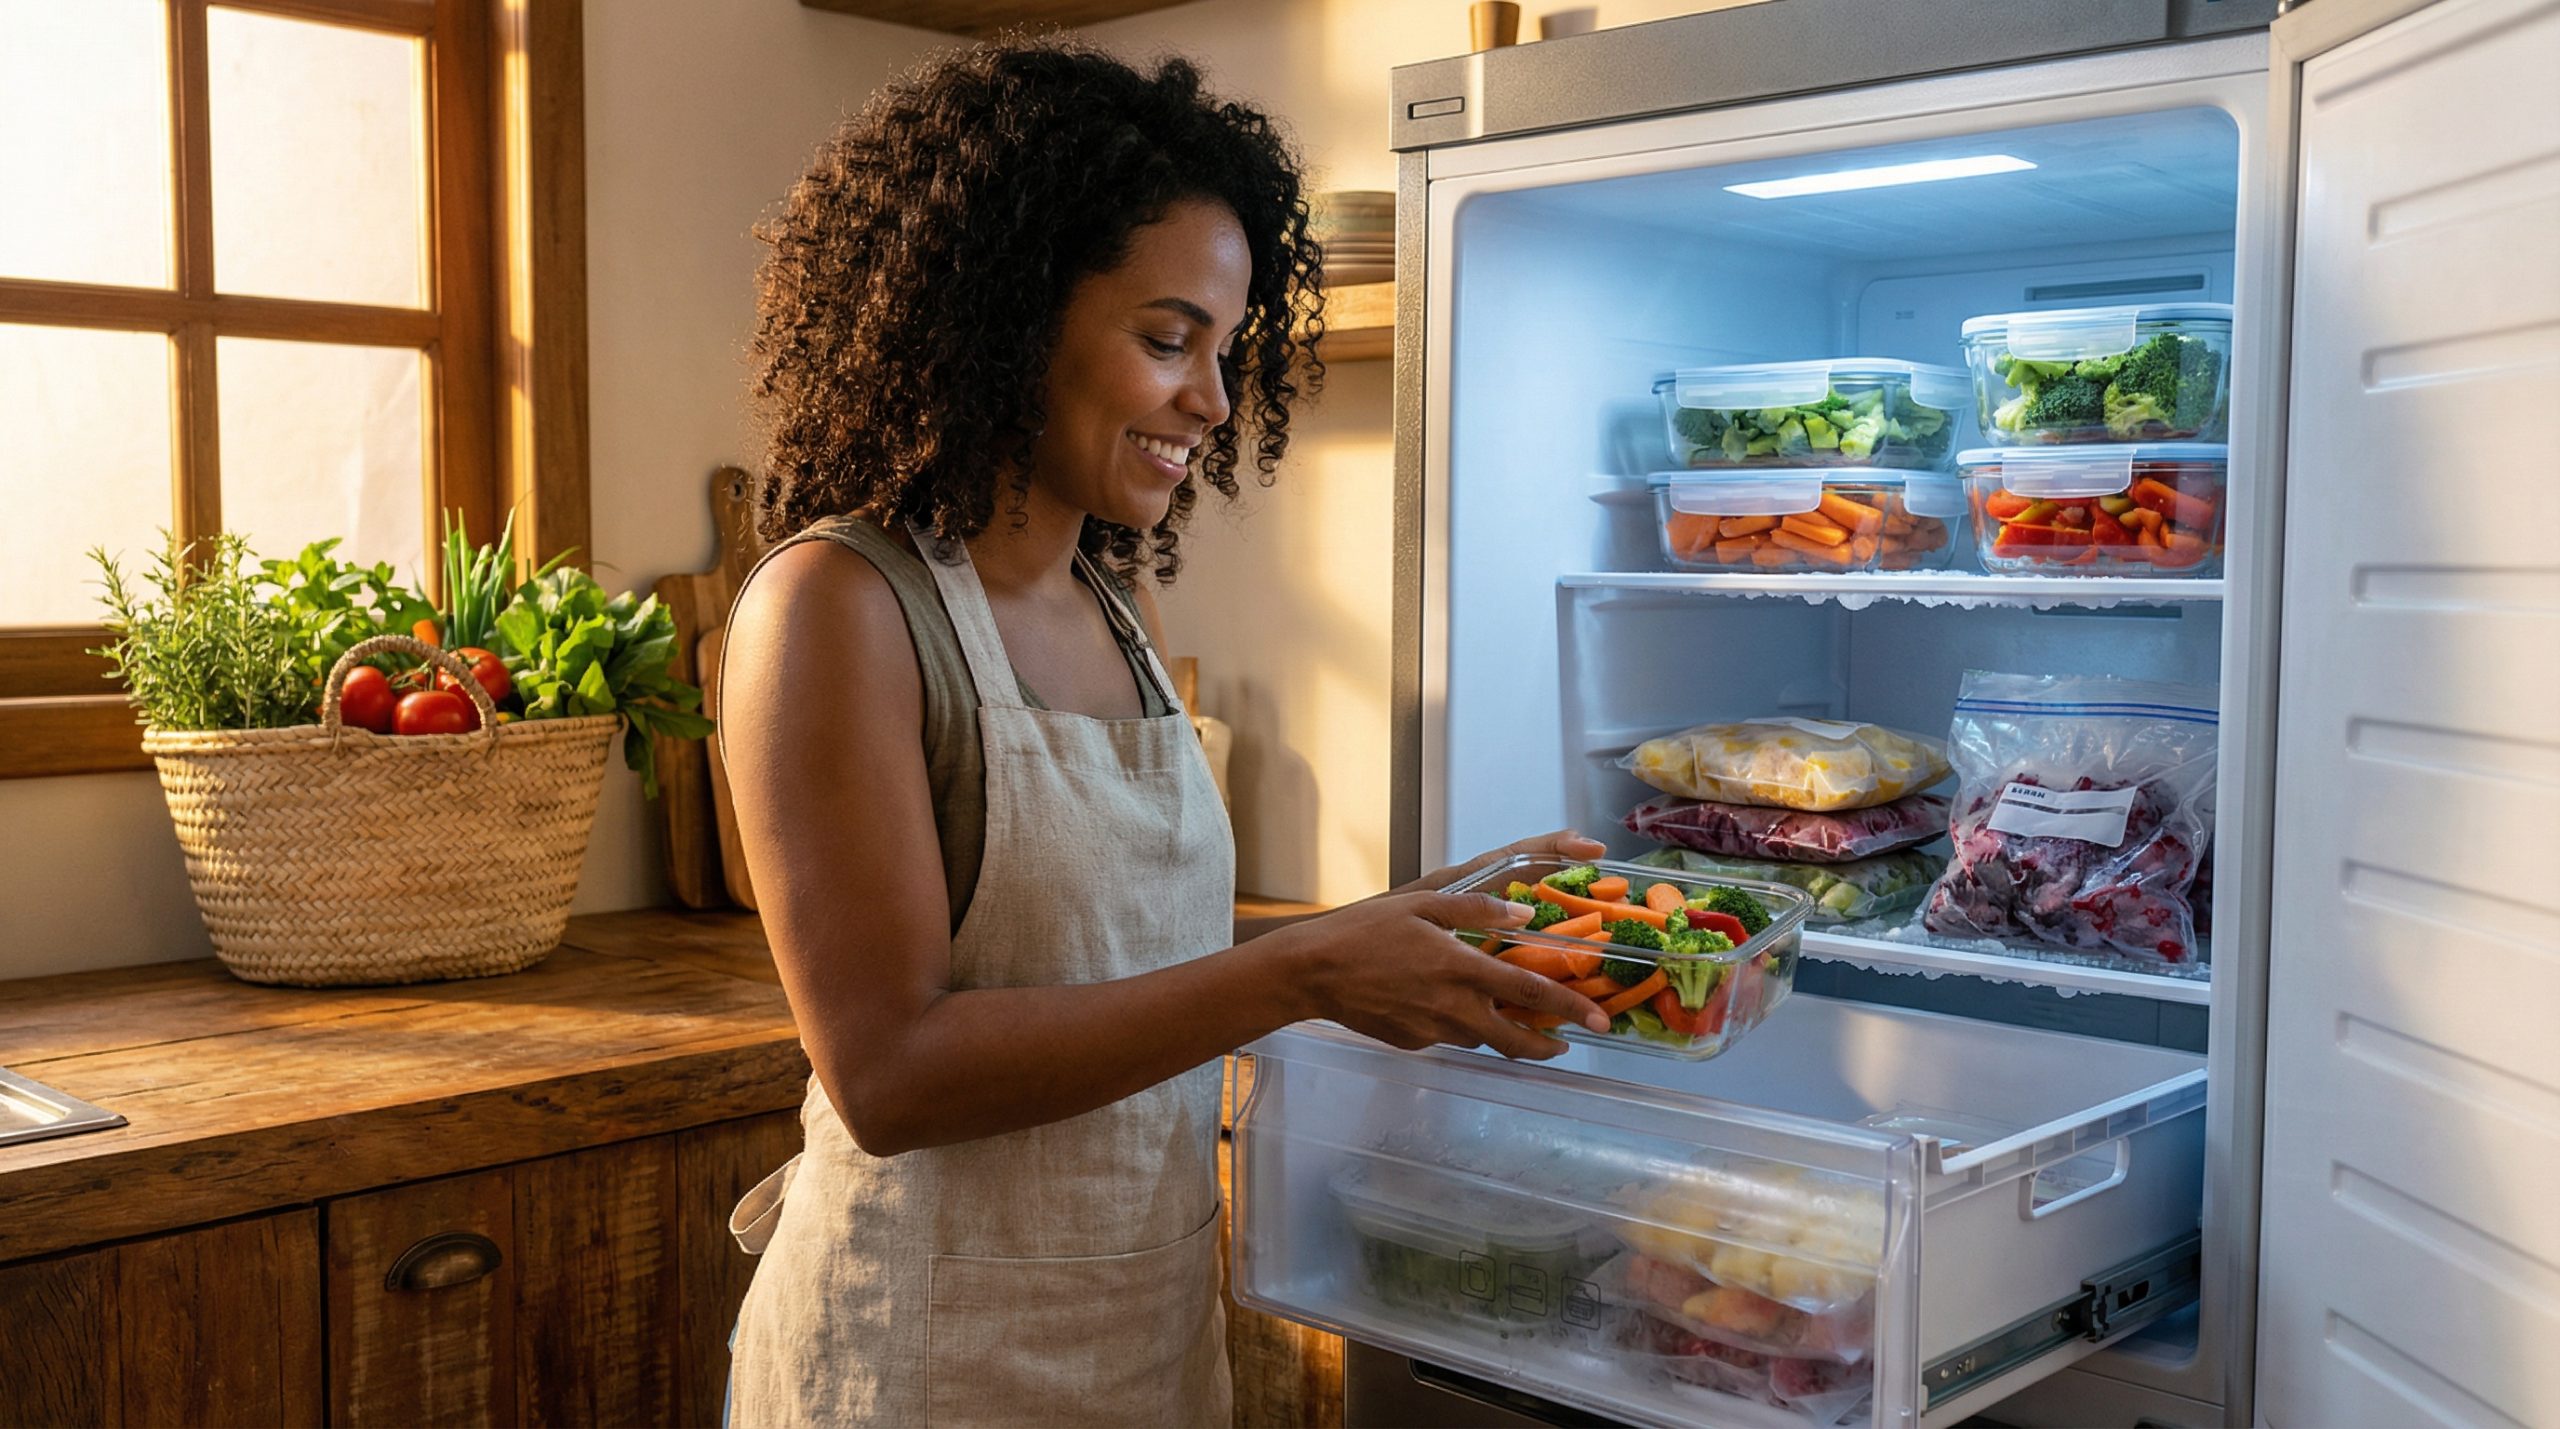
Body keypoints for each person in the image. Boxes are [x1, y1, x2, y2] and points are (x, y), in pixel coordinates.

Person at [716, 38, 1609, 1428]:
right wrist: (1305, 971)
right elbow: (891, 1070)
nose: (1214, 401)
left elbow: (1119, 965)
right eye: (1167, 337)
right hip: (912, 1360)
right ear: (1006, 314)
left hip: (1136, 1345)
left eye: (1227, 349)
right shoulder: (836, 606)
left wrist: (1401, 928)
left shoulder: (1102, 599)